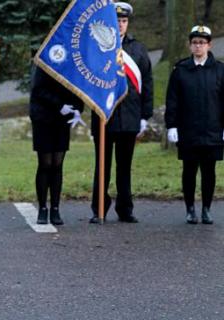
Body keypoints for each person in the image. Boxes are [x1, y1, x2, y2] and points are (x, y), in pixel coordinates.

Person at [89, 2, 153, 224]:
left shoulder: (138, 49)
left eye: (124, 21)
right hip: (105, 117)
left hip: (130, 116)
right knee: (102, 167)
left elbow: (147, 82)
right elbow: (90, 83)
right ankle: (99, 209)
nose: (121, 24)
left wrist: (145, 115)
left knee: (124, 167)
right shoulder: (98, 47)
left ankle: (125, 209)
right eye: (117, 21)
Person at [165, 25, 224, 225]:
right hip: (188, 130)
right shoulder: (181, 70)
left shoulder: (220, 70)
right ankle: (190, 209)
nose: (198, 46)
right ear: (190, 45)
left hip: (212, 130)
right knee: (189, 171)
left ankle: (206, 209)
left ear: (209, 45)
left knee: (209, 171)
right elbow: (172, 100)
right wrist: (171, 126)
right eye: (195, 43)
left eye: (202, 42)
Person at [29, 67, 85, 225]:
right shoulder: (43, 62)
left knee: (58, 163)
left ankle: (55, 208)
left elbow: (77, 86)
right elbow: (38, 90)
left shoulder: (69, 62)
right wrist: (59, 105)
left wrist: (78, 109)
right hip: (43, 117)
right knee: (45, 163)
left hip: (62, 119)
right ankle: (42, 208)